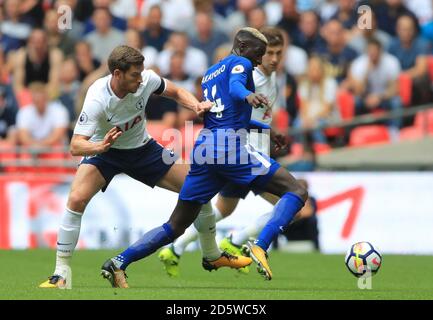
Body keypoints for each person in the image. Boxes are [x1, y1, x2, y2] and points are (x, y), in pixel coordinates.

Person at [102, 28, 308, 284]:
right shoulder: (241, 63)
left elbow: (224, 117)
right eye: (258, 54)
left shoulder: (211, 73)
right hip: (229, 148)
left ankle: (119, 261)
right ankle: (260, 245)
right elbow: (235, 89)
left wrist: (267, 130)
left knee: (176, 225)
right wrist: (249, 95)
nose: (258, 60)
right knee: (297, 192)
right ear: (242, 46)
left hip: (205, 150)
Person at [39, 45, 251, 289]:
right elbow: (76, 146)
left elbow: (175, 90)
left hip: (143, 150)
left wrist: (195, 105)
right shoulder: (97, 97)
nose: (141, 80)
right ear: (117, 74)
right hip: (105, 154)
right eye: (134, 75)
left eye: (141, 73)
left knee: (198, 186)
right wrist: (100, 147)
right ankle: (60, 274)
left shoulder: (146, 79)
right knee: (76, 199)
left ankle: (212, 255)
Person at [157, 26, 287, 277]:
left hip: (243, 151)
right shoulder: (251, 74)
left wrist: (269, 135)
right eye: (268, 52)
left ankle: (176, 248)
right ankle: (237, 241)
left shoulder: (270, 79)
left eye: (278, 53)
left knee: (223, 209)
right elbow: (236, 92)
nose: (272, 59)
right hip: (243, 154)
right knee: (293, 204)